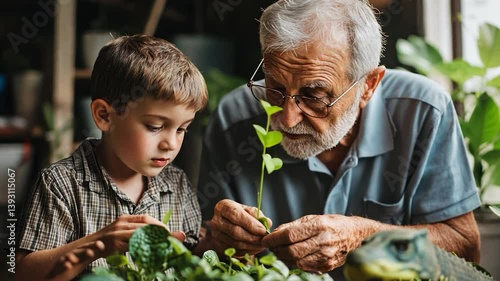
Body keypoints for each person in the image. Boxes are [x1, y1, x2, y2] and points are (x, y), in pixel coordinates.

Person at [196, 0, 481, 279]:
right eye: (275, 88)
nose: (287, 118)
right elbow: (199, 253)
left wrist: (363, 236)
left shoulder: (423, 112)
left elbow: (466, 252)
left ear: (368, 85)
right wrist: (220, 241)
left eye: (313, 96)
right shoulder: (232, 120)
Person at [16, 34, 208, 280]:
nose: (171, 143)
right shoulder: (61, 184)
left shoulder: (178, 183)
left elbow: (194, 257)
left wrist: (215, 241)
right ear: (104, 116)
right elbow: (22, 273)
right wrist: (99, 243)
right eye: (154, 126)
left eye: (182, 129)